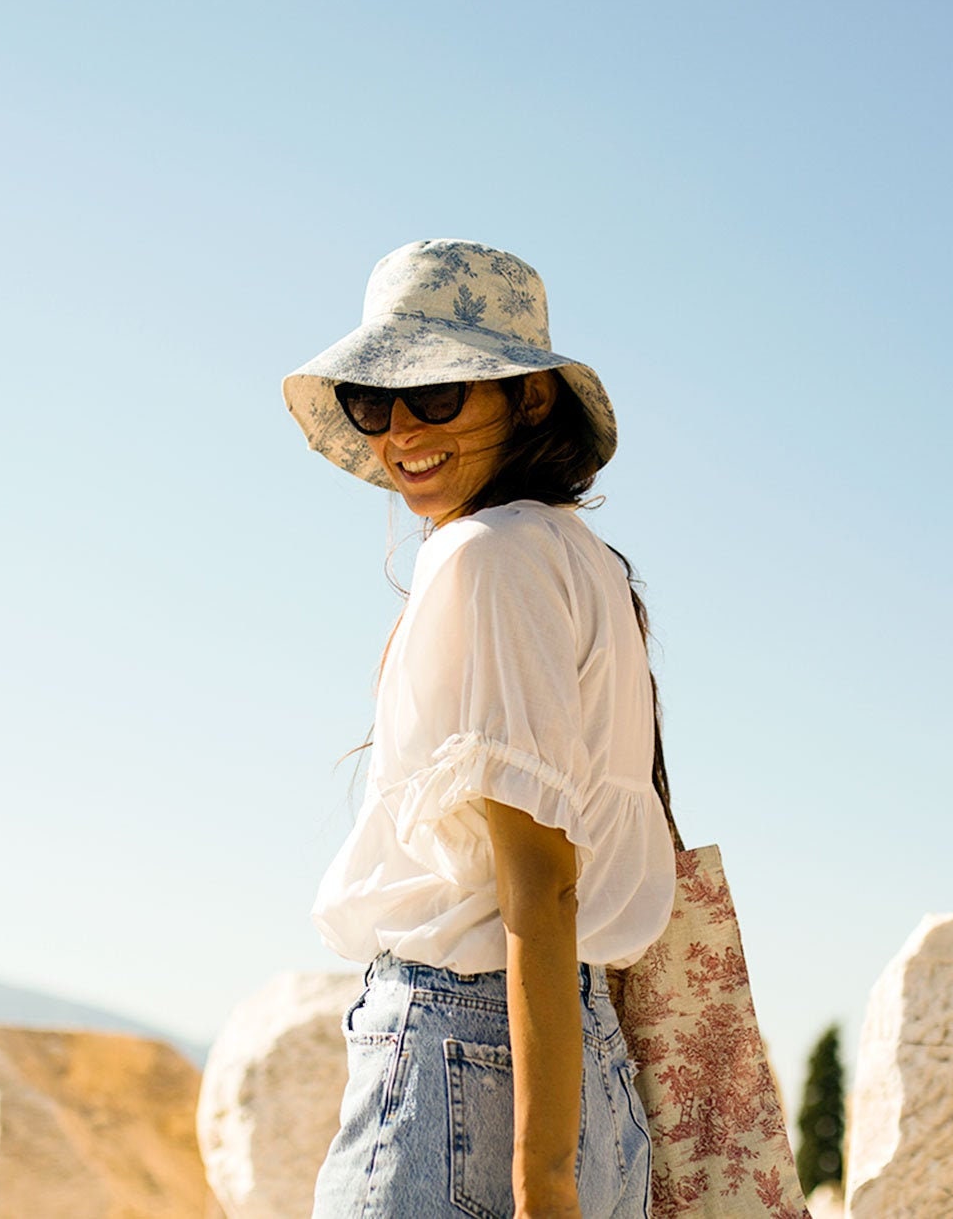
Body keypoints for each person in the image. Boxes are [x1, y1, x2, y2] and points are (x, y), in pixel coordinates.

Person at [283, 238, 681, 1219]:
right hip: (573, 1055)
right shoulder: (587, 565)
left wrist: (541, 1180)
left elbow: (537, 880)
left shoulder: (485, 556)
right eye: (370, 403)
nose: (398, 430)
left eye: (434, 394)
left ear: (529, 398)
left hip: (460, 1052)